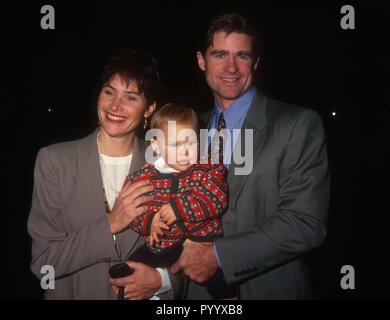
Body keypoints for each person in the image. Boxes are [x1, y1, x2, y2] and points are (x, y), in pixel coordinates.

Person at [171, 13, 330, 299]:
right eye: (220, 54)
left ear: (255, 63)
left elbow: (306, 223)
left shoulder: (297, 124)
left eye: (242, 56)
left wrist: (218, 256)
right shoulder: (191, 129)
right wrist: (161, 278)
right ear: (201, 60)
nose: (231, 67)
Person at [28, 51, 182, 300]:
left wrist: (163, 281)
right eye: (109, 92)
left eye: (130, 97)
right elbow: (43, 264)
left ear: (149, 109)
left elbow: (193, 248)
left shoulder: (168, 165)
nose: (115, 106)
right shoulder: (55, 161)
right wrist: (111, 224)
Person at [124, 103, 237, 299]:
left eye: (190, 143)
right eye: (175, 145)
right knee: (128, 272)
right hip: (162, 246)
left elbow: (216, 199)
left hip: (203, 245)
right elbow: (133, 211)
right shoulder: (144, 176)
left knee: (223, 285)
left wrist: (179, 209)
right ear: (156, 145)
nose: (185, 152)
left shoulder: (207, 169)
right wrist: (149, 222)